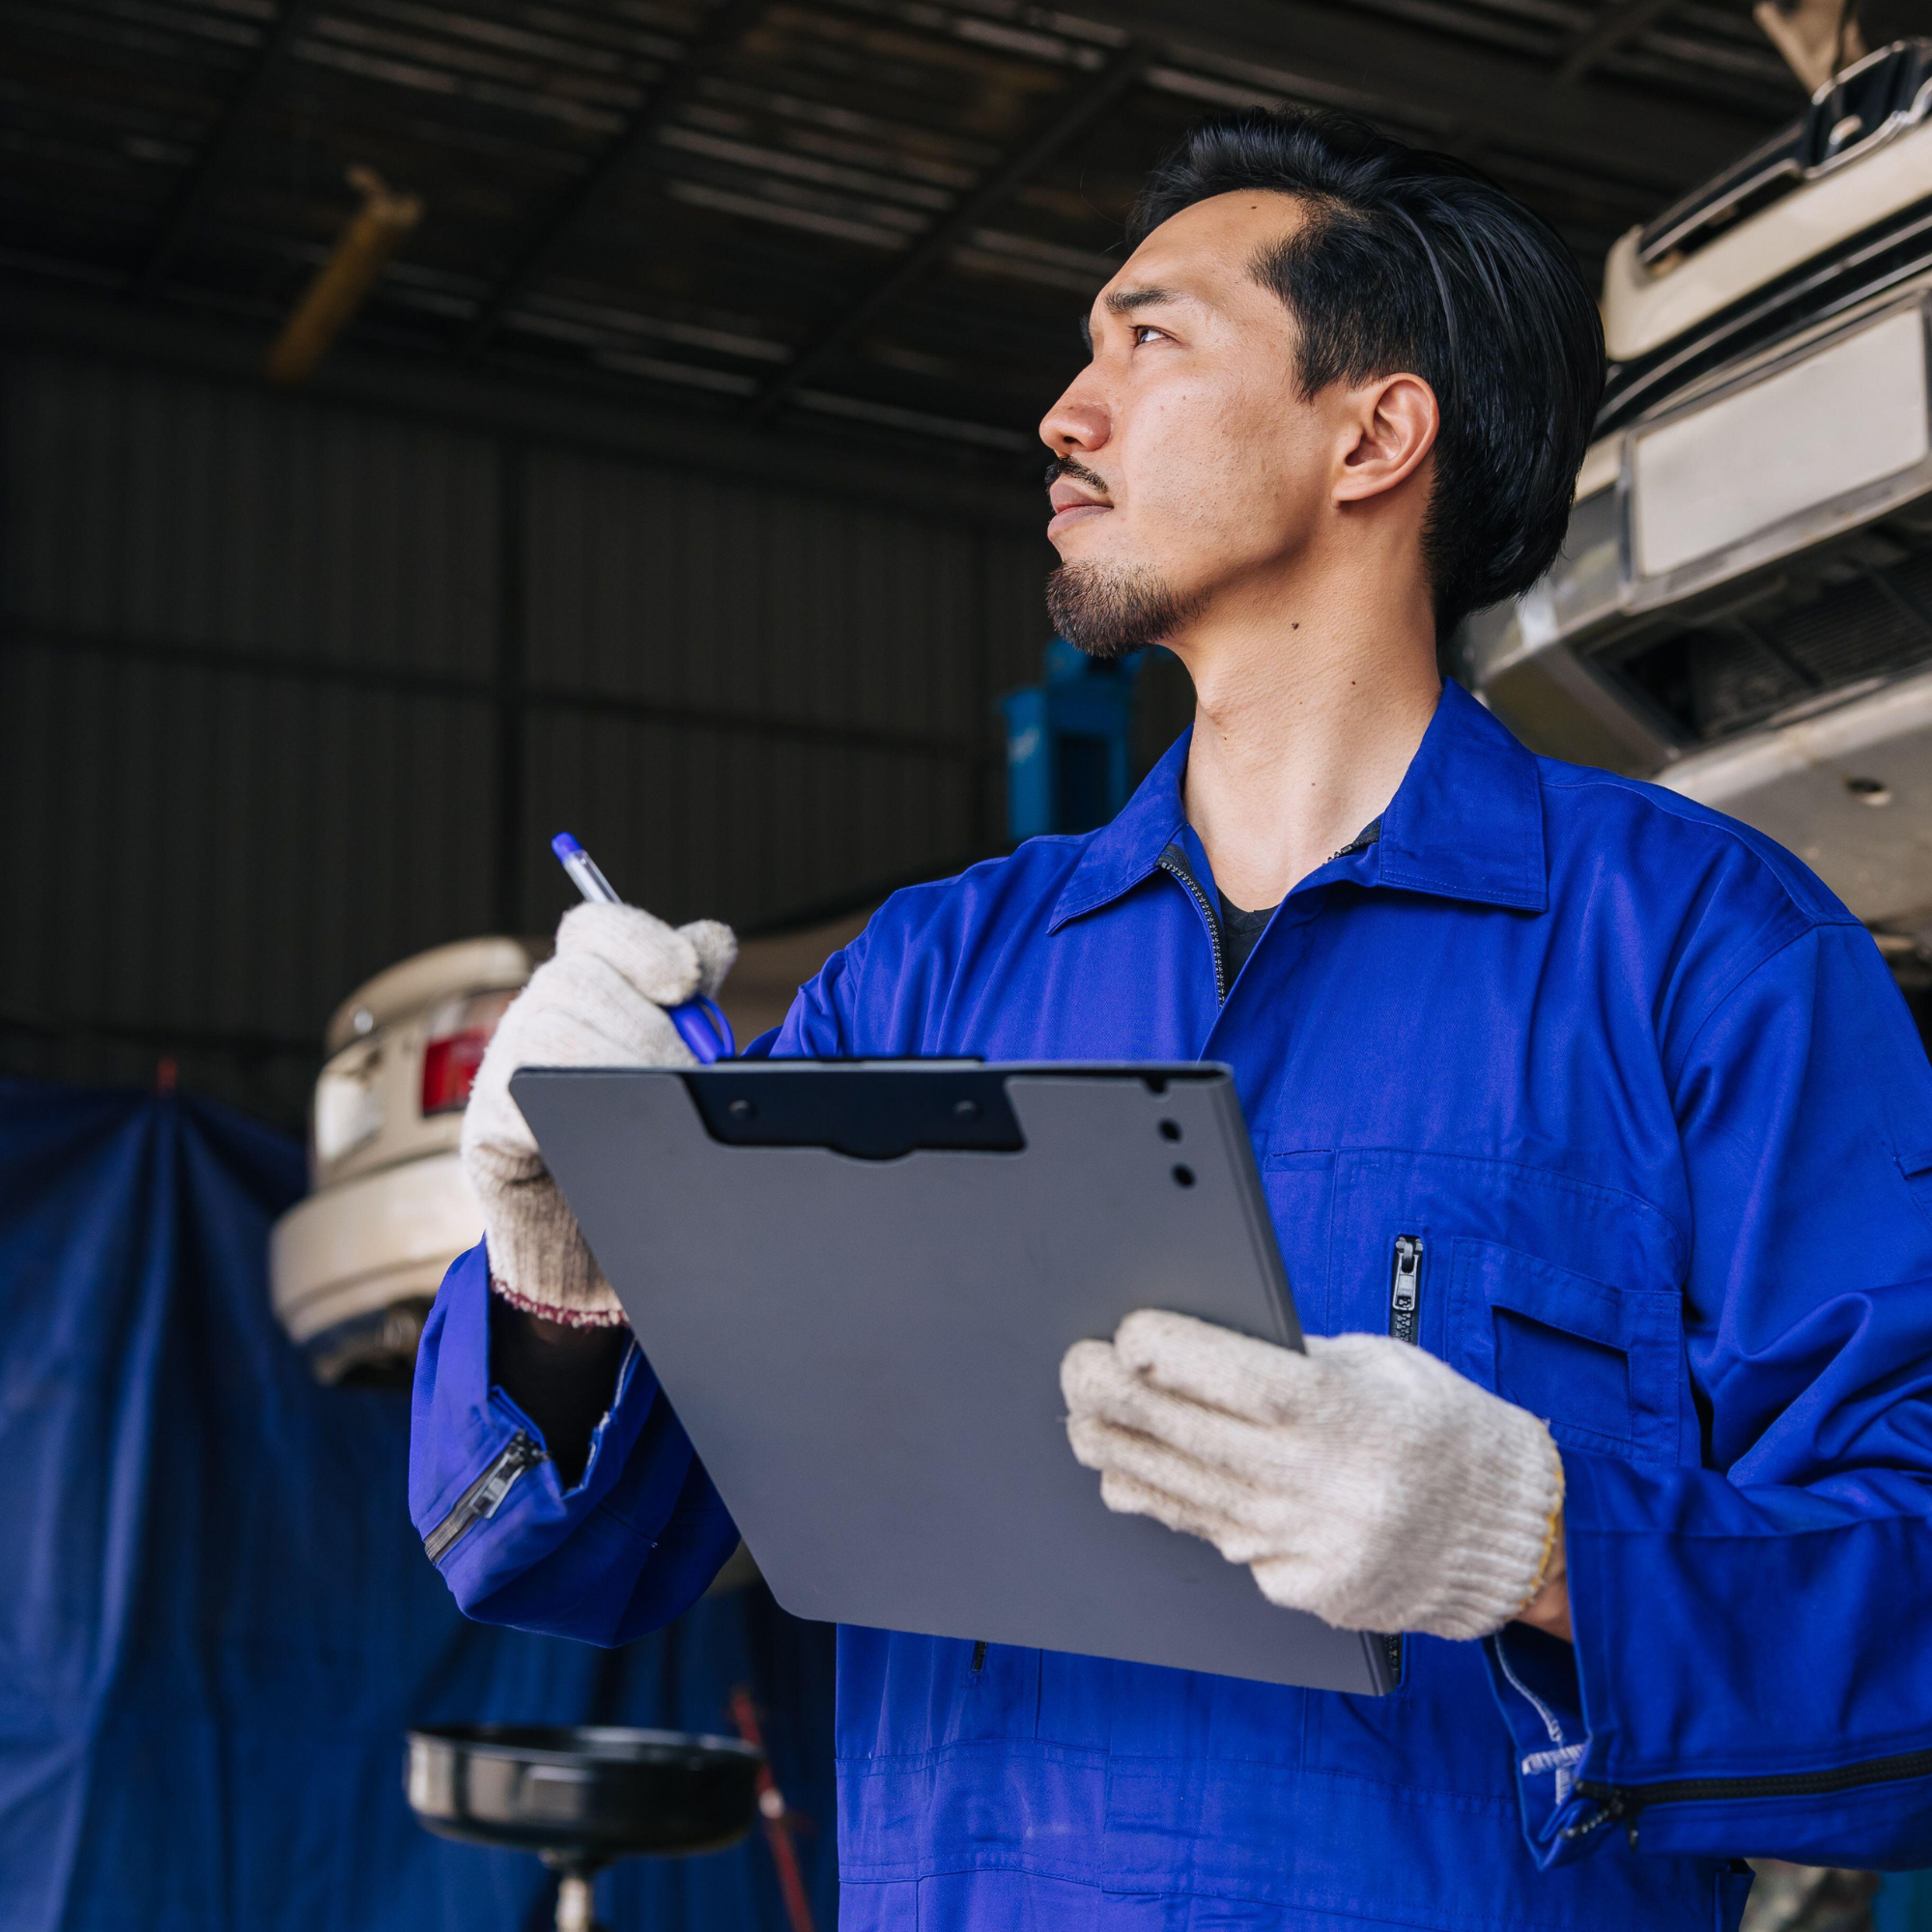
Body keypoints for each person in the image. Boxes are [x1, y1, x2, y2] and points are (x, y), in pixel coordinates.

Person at [412, 108, 1932, 1930]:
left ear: (1375, 432)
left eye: (1149, 341)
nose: (1067, 412)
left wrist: (1537, 1546)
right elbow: (582, 1551)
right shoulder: (930, 979)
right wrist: (561, 1266)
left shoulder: (1701, 956)